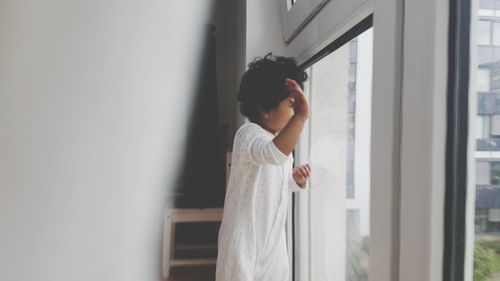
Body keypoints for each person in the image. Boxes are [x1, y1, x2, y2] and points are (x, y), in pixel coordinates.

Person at [215, 53, 311, 281]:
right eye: (290, 105)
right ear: (265, 109)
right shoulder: (248, 135)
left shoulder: (280, 147)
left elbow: (276, 180)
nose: (293, 111)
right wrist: (301, 117)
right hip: (243, 242)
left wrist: (294, 181)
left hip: (272, 241)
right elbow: (271, 154)